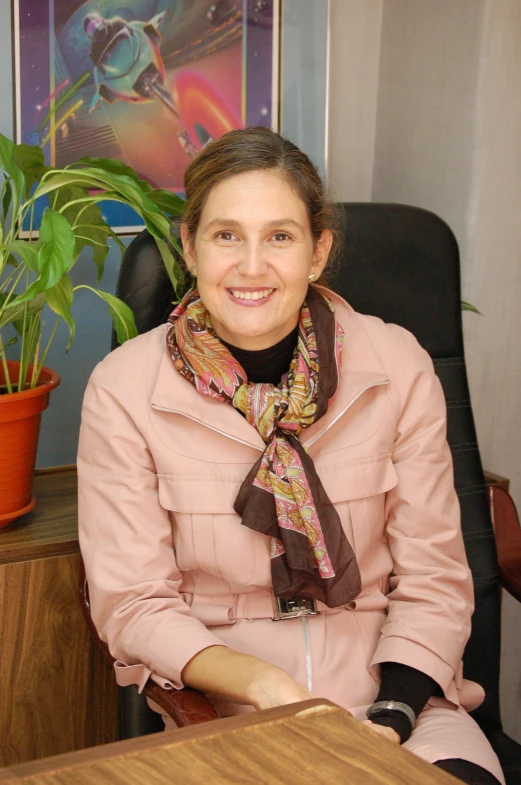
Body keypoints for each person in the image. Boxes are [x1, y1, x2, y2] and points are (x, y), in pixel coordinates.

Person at [78, 127, 504, 784]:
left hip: (401, 704)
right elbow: (133, 603)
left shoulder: (397, 367)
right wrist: (263, 685)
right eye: (226, 236)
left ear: (316, 251)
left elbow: (436, 581)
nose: (251, 266)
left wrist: (388, 716)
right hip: (229, 709)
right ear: (189, 247)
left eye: (279, 236)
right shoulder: (124, 387)